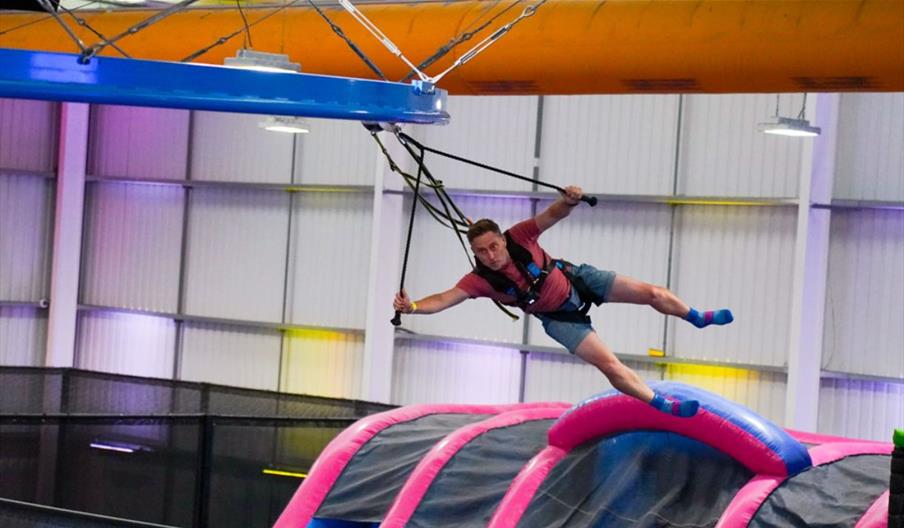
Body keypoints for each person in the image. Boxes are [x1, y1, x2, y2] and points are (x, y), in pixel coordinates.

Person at [393, 185, 734, 417]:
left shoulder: (521, 236)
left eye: (493, 246)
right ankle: (661, 405)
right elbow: (445, 298)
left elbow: (553, 214)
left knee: (652, 293)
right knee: (609, 365)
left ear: (501, 239)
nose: (490, 255)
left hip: (576, 280)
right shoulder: (480, 280)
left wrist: (570, 199)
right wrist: (414, 308)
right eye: (481, 251)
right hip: (558, 318)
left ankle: (695, 316)